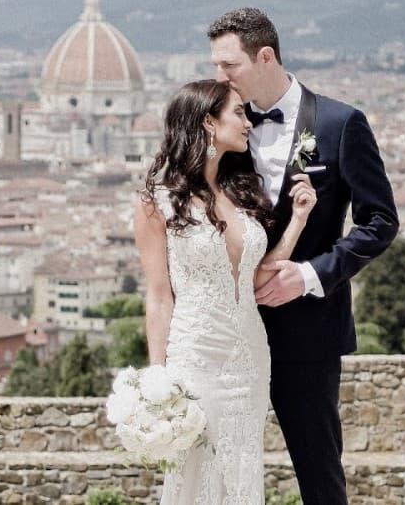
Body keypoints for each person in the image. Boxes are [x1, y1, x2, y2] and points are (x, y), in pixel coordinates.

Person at [208, 7, 399, 504]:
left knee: (319, 475)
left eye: (229, 65)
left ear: (265, 56)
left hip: (310, 331)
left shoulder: (340, 123)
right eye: (216, 66)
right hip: (230, 330)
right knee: (218, 470)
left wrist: (312, 275)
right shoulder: (222, 125)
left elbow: (380, 221)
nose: (220, 77)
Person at [135, 79, 316, 502]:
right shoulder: (156, 203)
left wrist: (297, 222)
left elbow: (254, 280)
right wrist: (158, 375)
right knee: (195, 473)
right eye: (238, 112)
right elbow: (159, 296)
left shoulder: (240, 192)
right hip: (195, 357)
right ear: (208, 123)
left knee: (242, 471)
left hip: (250, 359)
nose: (248, 122)